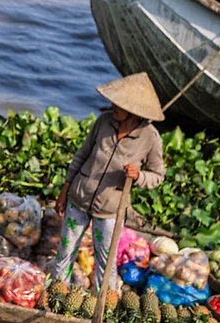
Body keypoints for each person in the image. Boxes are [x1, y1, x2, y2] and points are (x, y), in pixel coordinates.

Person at [52, 72, 165, 291]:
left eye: (119, 105)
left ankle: (103, 304)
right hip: (80, 196)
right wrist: (65, 188)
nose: (112, 107)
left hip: (111, 209)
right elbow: (82, 155)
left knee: (106, 261)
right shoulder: (104, 122)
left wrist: (138, 176)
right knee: (65, 251)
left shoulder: (150, 137)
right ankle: (57, 292)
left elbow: (158, 175)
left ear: (133, 112)